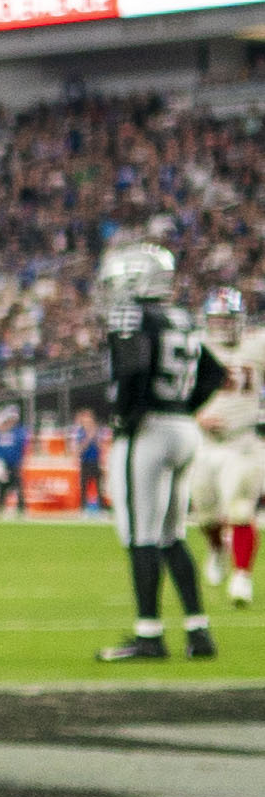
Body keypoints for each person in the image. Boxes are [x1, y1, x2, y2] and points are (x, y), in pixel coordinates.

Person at [94, 241, 220, 662]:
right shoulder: (182, 316)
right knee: (171, 535)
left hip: (147, 431)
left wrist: (126, 417)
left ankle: (149, 635)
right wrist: (183, 408)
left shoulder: (134, 313)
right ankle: (198, 631)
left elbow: (131, 366)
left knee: (140, 535)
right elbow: (213, 372)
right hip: (182, 427)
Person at [193, 288, 264, 607]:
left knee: (240, 509)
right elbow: (178, 389)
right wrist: (195, 414)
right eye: (217, 319)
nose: (222, 325)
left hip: (243, 441)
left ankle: (242, 577)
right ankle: (216, 548)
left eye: (227, 318)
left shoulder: (256, 345)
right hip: (205, 444)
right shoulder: (197, 347)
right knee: (207, 517)